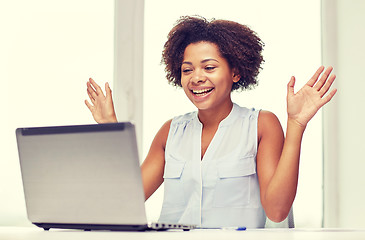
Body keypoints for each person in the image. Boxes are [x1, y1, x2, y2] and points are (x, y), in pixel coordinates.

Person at [85, 16, 337, 228]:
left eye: (209, 67)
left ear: (235, 73)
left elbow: (277, 210)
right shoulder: (170, 132)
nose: (196, 78)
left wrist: (296, 123)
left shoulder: (261, 125)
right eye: (187, 70)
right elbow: (124, 201)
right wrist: (110, 129)